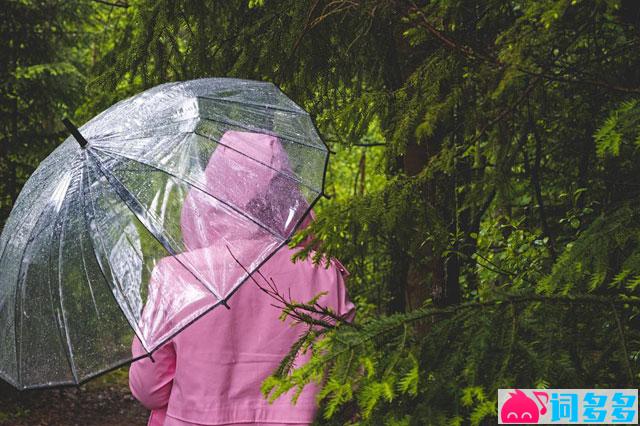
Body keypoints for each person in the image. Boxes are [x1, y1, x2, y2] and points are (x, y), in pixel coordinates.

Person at [128, 130, 355, 426]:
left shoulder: (176, 276)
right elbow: (345, 374)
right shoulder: (322, 272)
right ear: (288, 192)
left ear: (214, 188)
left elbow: (149, 390)